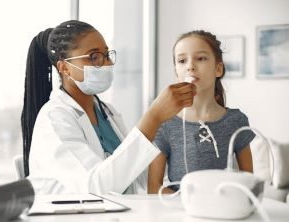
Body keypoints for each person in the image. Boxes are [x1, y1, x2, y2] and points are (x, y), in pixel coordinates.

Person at [21, 20, 196, 194]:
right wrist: (153, 117)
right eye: (94, 57)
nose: (106, 64)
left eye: (106, 55)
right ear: (64, 67)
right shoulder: (54, 119)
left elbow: (135, 177)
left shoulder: (106, 112)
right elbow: (95, 187)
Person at [147, 30, 255, 194]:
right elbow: (154, 188)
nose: (190, 66)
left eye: (201, 58)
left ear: (218, 69)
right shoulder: (164, 124)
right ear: (177, 71)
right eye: (182, 60)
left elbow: (249, 184)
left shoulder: (236, 121)